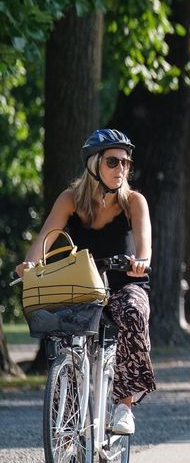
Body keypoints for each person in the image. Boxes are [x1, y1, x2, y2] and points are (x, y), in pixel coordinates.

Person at [17, 129, 155, 435]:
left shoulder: (134, 201)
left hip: (124, 285)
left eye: (126, 163)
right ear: (93, 164)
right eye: (113, 161)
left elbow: (145, 245)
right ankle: (65, 434)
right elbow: (45, 239)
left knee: (133, 312)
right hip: (81, 288)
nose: (121, 169)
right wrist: (30, 264)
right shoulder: (70, 200)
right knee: (65, 346)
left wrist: (141, 260)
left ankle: (124, 407)